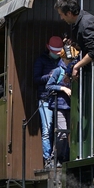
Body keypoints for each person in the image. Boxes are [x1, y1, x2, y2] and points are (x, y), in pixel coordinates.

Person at [32, 36, 72, 167]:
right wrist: (48, 76)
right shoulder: (41, 60)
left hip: (59, 100)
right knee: (47, 129)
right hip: (45, 98)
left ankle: (60, 156)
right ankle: (48, 159)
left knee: (61, 129)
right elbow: (36, 79)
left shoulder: (63, 62)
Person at [55, 0, 94, 81]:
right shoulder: (80, 22)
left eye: (61, 15)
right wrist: (75, 45)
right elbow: (88, 47)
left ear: (69, 13)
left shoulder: (86, 23)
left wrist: (77, 66)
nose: (61, 18)